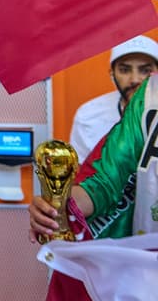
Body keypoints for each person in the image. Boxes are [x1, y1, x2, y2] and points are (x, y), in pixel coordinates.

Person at [31, 71, 158, 241]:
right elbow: (107, 180)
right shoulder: (151, 95)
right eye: (125, 69)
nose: (134, 78)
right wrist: (57, 206)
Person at [68, 35, 158, 159]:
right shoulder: (88, 116)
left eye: (145, 70)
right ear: (112, 74)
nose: (135, 79)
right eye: (125, 70)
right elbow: (83, 174)